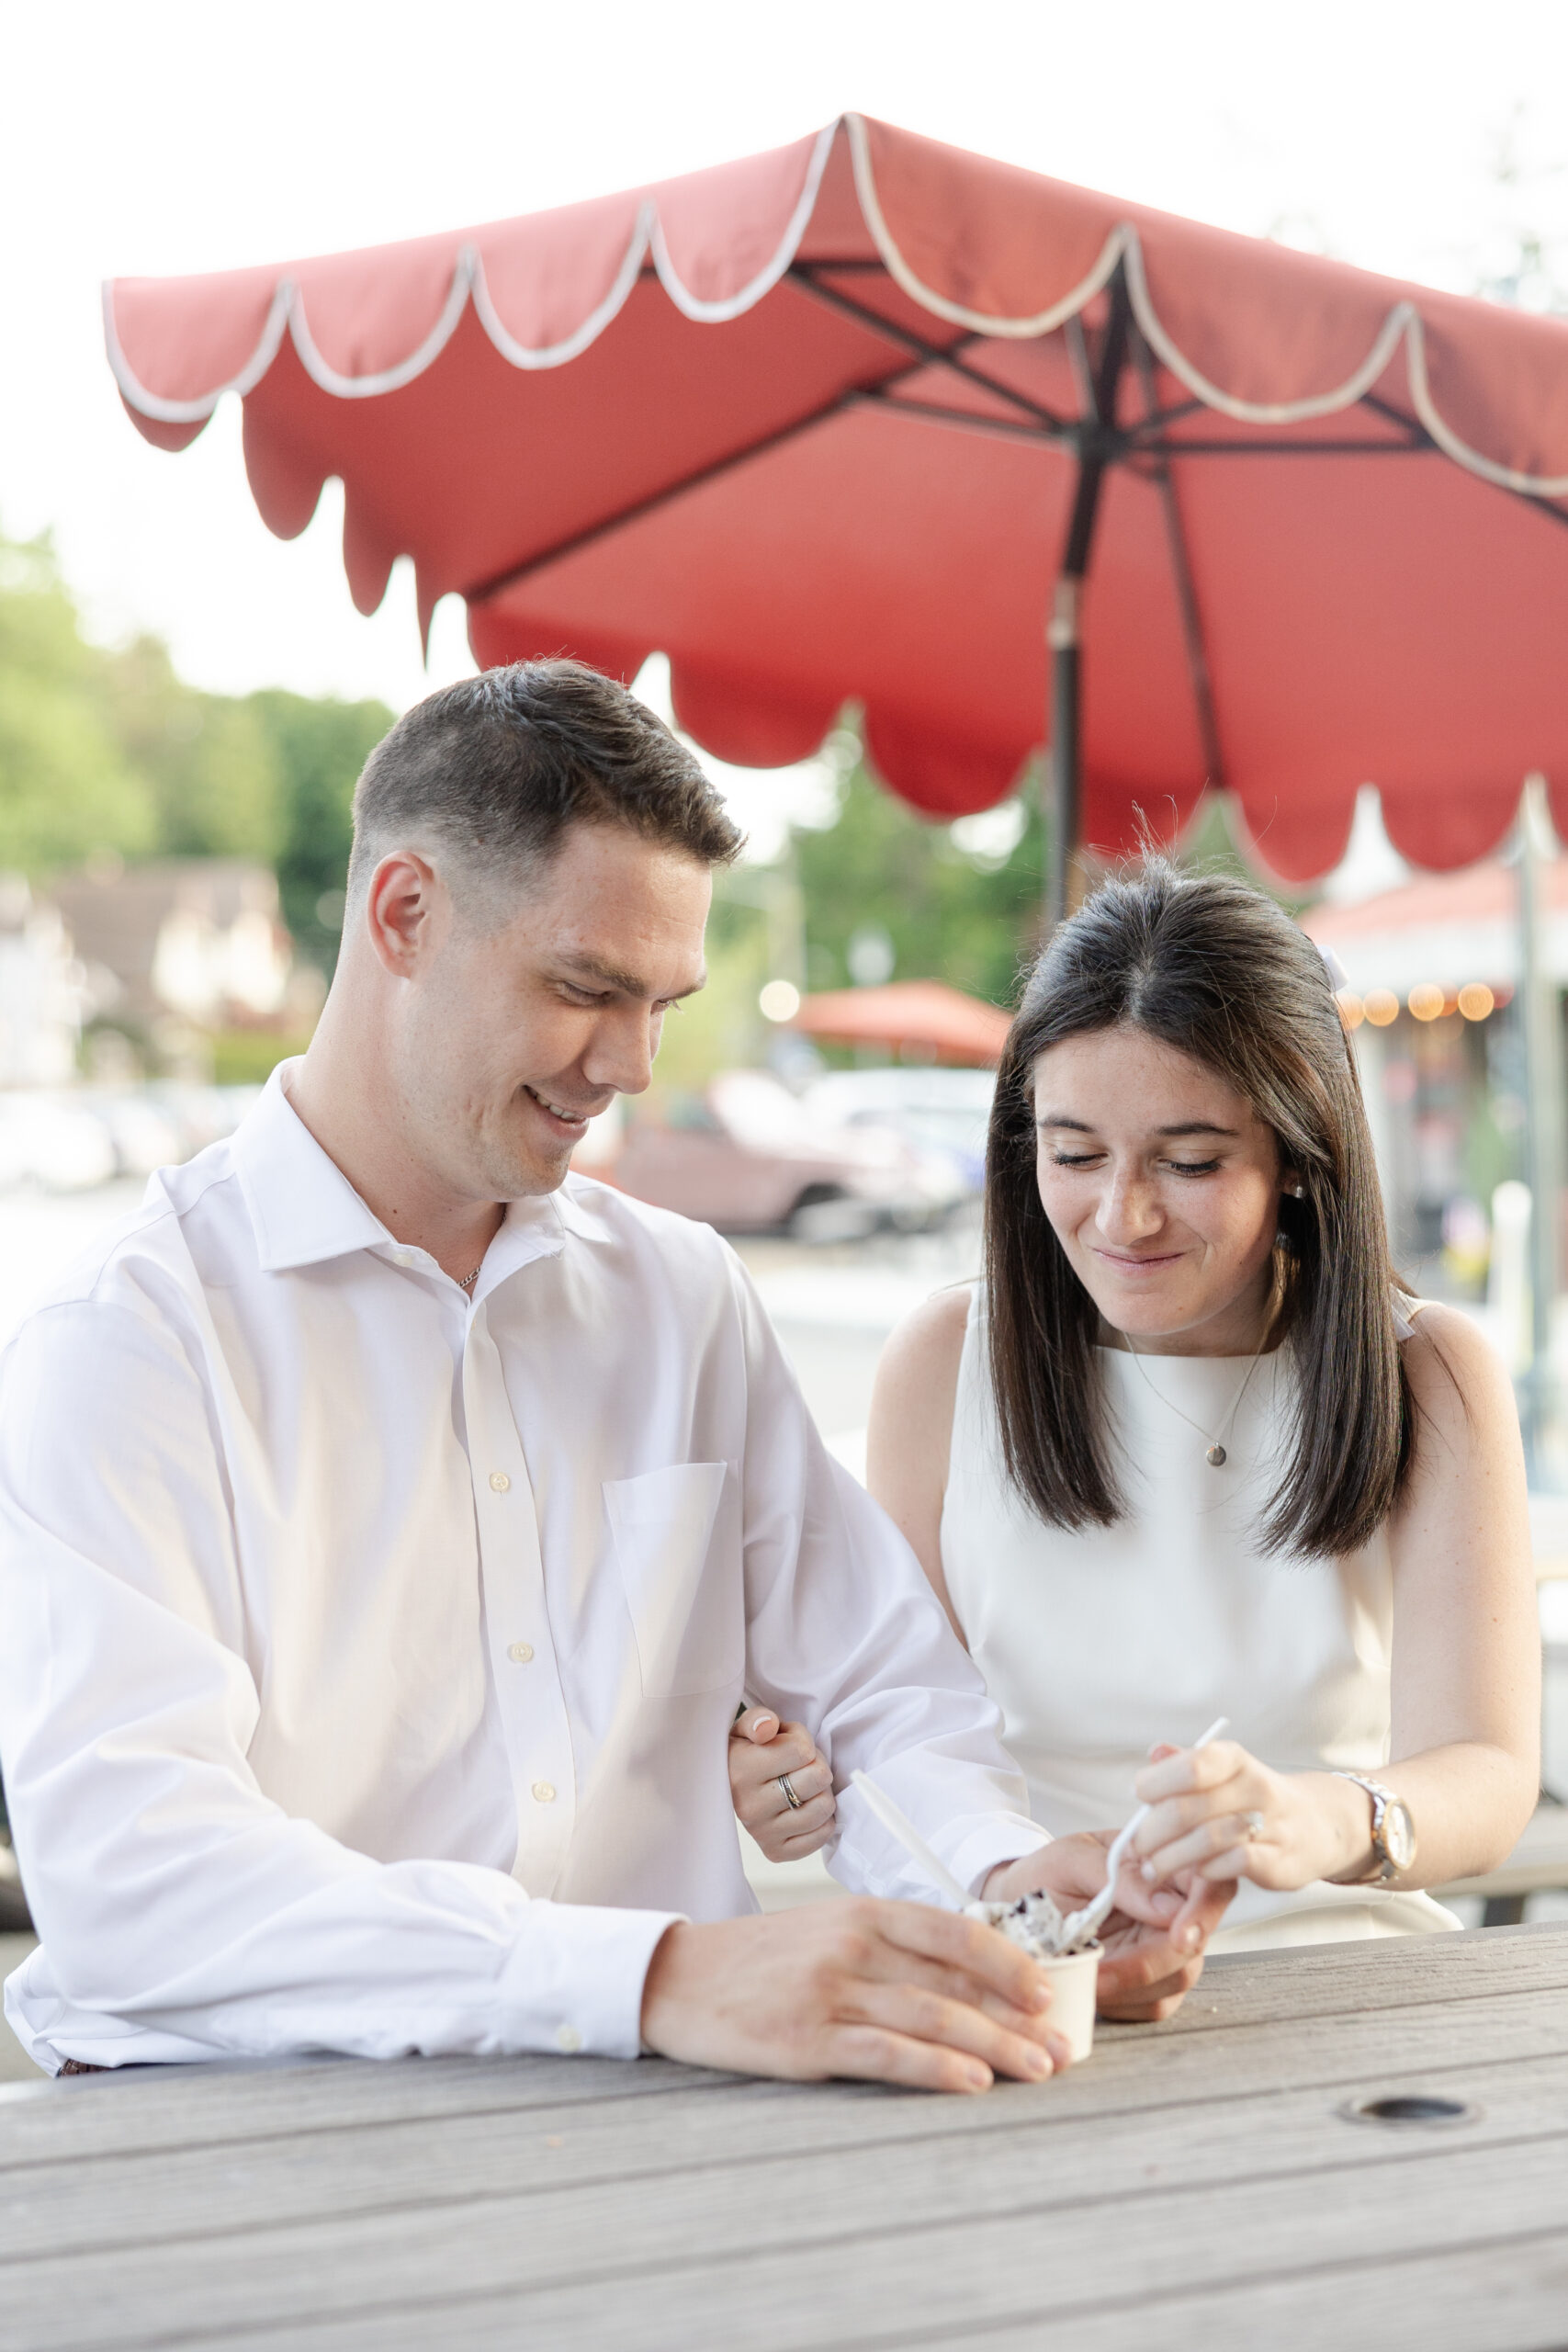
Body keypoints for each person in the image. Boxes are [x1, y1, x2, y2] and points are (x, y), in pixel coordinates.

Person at [0, 665, 1224, 2091]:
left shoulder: (680, 1296)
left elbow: (874, 1687)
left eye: (662, 1002)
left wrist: (1009, 1883)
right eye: (586, 988)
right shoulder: (132, 1342)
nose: (633, 1064)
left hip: (670, 2126)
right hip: (272, 2143)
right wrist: (653, 1973)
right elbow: (136, 1877)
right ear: (404, 914)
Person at [732, 860, 1540, 1951]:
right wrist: (799, 1778)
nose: (1124, 1214)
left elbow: (1486, 1773)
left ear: (1301, 1156)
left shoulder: (1426, 1371)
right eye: (1073, 1154)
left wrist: (1323, 1816)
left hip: (1340, 1956)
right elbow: (893, 1723)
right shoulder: (946, 1359)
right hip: (1042, 1957)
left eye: (1192, 1159)